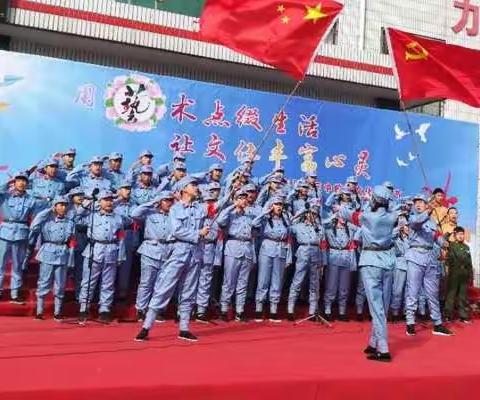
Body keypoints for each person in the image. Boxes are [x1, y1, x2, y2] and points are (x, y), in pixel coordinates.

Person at [135, 176, 209, 342]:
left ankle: (184, 328)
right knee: (164, 287)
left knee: (189, 291)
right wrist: (198, 234)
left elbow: (212, 213)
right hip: (178, 252)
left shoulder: (199, 209)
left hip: (194, 253)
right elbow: (177, 231)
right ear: (184, 189)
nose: (196, 187)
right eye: (193, 185)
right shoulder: (175, 209)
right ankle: (146, 327)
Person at [337, 185, 399, 362]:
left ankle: (383, 347)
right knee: (382, 305)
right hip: (388, 260)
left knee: (376, 306)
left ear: (375, 200)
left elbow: (346, 213)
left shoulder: (367, 217)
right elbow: (395, 208)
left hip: (371, 260)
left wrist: (342, 205)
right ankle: (373, 342)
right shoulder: (393, 216)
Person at [77, 190, 130, 324]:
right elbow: (77, 216)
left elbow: (122, 237)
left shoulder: (118, 217)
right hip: (95, 250)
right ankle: (84, 307)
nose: (109, 202)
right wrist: (90, 200)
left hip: (111, 250)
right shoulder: (92, 216)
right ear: (99, 202)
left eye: (111, 200)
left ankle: (105, 309)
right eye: (105, 199)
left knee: (108, 283)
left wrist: (120, 255)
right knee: (88, 281)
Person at [404, 193, 453, 337]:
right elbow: (417, 223)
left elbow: (437, 238)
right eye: (416, 202)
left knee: (432, 293)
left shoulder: (432, 222)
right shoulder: (413, 218)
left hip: (430, 259)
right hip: (415, 257)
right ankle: (410, 323)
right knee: (412, 291)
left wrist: (445, 243)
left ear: (426, 204)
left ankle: (437, 324)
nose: (418, 204)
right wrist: (428, 211)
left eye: (421, 202)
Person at [28, 196, 76, 320]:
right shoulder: (46, 220)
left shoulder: (70, 222)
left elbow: (72, 241)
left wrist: (71, 256)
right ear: (55, 206)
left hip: (62, 253)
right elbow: (34, 225)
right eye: (60, 205)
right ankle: (39, 311)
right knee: (44, 282)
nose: (63, 207)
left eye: (65, 205)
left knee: (60, 284)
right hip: (48, 251)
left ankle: (57, 312)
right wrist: (48, 210)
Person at [131, 191, 175, 321]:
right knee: (146, 282)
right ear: (160, 201)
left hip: (168, 250)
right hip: (150, 249)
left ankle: (158, 310)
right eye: (166, 200)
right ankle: (141, 309)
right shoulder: (150, 213)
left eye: (170, 200)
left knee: (163, 283)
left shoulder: (174, 215)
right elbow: (134, 214)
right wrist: (152, 203)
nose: (168, 203)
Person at [216, 188, 256, 322]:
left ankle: (240, 311)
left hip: (247, 248)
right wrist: (233, 205)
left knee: (243, 283)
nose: (243, 200)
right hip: (233, 247)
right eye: (241, 198)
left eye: (245, 198)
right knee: (229, 281)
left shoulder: (249, 215)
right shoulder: (230, 213)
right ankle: (224, 309)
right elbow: (220, 221)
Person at [252, 196, 292, 322]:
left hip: (281, 250)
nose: (279, 206)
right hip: (267, 248)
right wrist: (265, 212)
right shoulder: (264, 219)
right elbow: (254, 224)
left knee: (277, 281)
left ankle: (273, 310)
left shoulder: (285, 219)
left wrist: (289, 257)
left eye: (281, 204)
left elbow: (289, 237)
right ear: (271, 205)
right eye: (276, 204)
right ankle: (259, 308)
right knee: (263, 279)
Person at [0, 172, 37, 303]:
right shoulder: (5, 196)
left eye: (24, 181)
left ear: (27, 183)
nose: (21, 183)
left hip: (21, 233)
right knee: (0, 265)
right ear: (14, 182)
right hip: (5, 232)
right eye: (19, 180)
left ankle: (14, 293)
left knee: (17, 265)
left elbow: (37, 212)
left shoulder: (30, 199)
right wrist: (8, 182)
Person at [287, 203, 326, 321]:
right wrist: (301, 212)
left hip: (316, 252)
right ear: (306, 214)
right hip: (303, 251)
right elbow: (288, 224)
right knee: (297, 281)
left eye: (315, 214)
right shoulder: (298, 226)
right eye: (311, 213)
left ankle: (312, 311)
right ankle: (290, 309)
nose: (313, 215)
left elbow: (323, 245)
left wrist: (323, 262)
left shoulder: (319, 228)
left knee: (315, 284)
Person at [323, 213, 357, 321]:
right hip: (333, 257)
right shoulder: (329, 228)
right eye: (342, 216)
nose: (344, 219)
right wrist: (333, 216)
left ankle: (342, 311)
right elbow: (321, 224)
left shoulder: (350, 229)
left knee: (344, 287)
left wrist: (350, 221)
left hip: (346, 258)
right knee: (331, 285)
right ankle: (327, 309)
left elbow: (359, 229)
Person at [195, 190, 223, 322]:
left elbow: (219, 239)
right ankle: (184, 309)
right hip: (196, 247)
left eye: (212, 202)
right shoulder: (195, 216)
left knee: (205, 280)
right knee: (190, 279)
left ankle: (201, 310)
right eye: (207, 202)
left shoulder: (216, 219)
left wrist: (217, 259)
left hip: (210, 248)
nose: (210, 205)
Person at [114, 181, 139, 302]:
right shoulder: (112, 204)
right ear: (118, 190)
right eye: (124, 188)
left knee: (126, 264)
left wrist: (135, 240)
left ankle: (122, 293)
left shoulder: (134, 205)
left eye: (129, 188)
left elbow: (135, 222)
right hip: (113, 235)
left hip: (128, 234)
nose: (128, 191)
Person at [444, 226, 473, 323]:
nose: (461, 236)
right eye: (459, 234)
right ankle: (447, 315)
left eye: (462, 234)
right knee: (451, 295)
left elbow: (469, 262)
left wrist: (470, 275)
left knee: (463, 295)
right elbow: (447, 260)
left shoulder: (466, 247)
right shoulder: (451, 246)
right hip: (454, 273)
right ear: (455, 235)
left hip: (464, 274)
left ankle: (463, 315)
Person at [390, 220, 410, 322]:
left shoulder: (412, 239)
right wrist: (398, 227)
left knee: (408, 291)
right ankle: (395, 312)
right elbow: (389, 236)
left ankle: (406, 312)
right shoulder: (396, 238)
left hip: (410, 266)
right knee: (397, 290)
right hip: (399, 265)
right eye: (406, 226)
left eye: (408, 225)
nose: (408, 228)